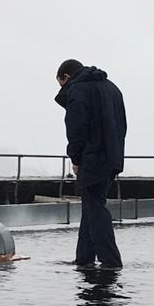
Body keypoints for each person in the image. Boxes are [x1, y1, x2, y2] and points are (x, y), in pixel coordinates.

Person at [54, 59, 127, 268]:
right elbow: (122, 125)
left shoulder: (78, 91)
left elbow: (76, 129)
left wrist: (76, 158)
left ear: (66, 77)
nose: (63, 89)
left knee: (95, 209)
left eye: (61, 84)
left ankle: (111, 261)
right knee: (91, 207)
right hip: (112, 157)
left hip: (92, 158)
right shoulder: (112, 88)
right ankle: (84, 258)